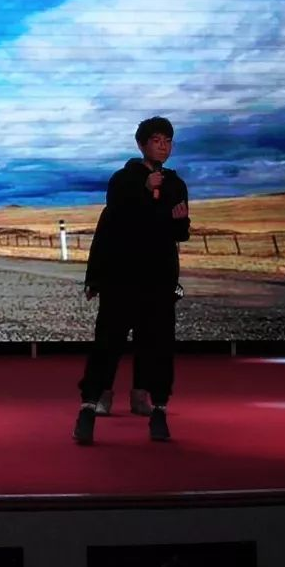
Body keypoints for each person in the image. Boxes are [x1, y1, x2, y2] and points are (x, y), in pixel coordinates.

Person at [73, 116, 190, 444]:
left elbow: (178, 232)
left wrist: (180, 224)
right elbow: (113, 222)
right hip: (121, 278)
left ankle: (159, 411)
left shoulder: (176, 184)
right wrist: (144, 190)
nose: (163, 146)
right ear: (141, 144)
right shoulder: (122, 180)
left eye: (168, 140)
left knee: (159, 346)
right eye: (156, 140)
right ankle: (88, 409)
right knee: (107, 344)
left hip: (159, 278)